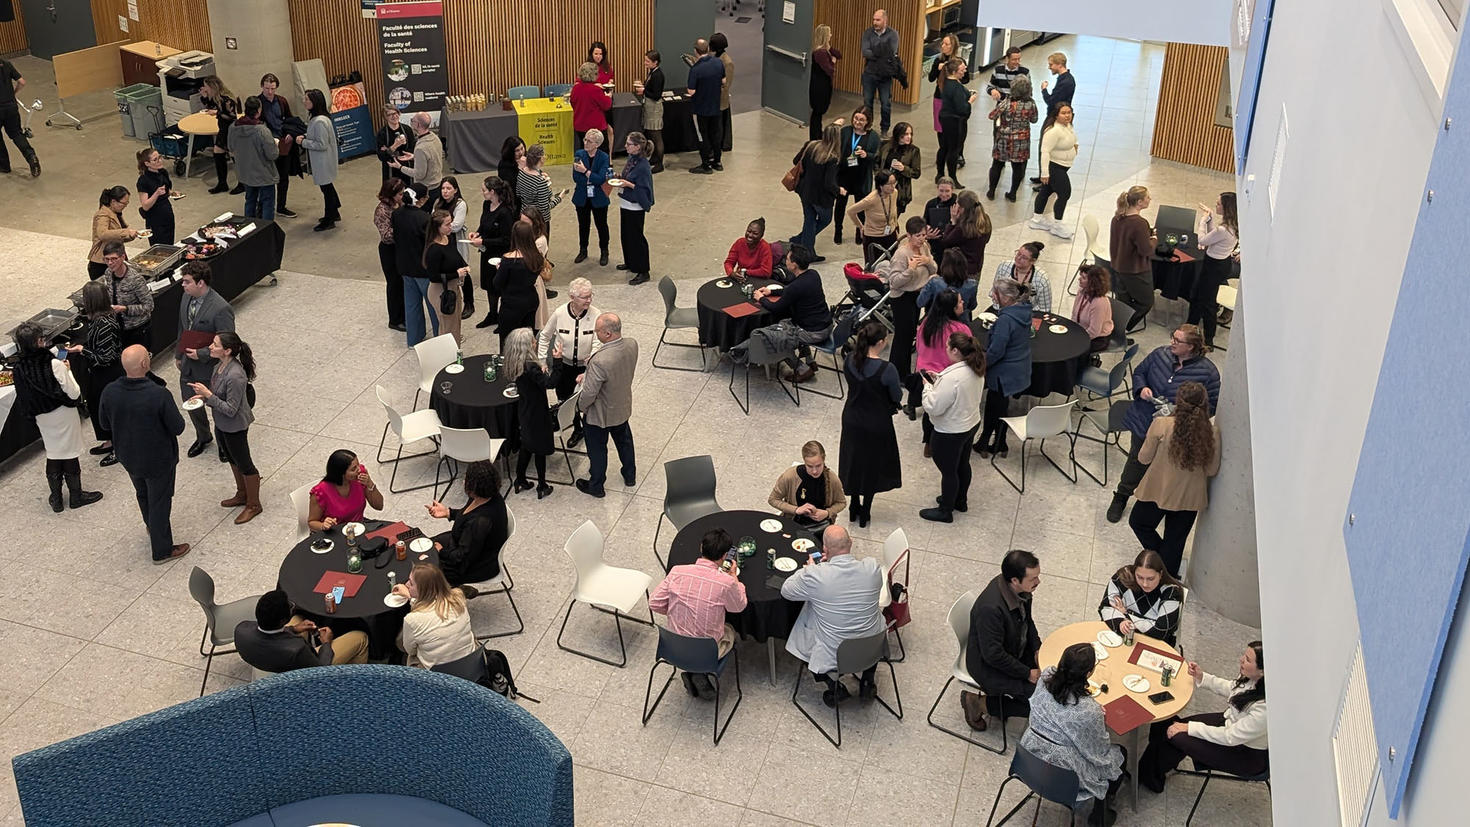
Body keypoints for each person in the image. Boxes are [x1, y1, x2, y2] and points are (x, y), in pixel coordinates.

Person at [1107, 325, 1221, 523]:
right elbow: (1139, 372)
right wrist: (1142, 388)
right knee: (1137, 460)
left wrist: (1180, 411)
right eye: (1172, 337)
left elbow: (1212, 404)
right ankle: (1122, 495)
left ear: (1192, 347)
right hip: (1145, 421)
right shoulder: (1160, 354)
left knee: (1166, 467)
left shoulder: (1208, 373)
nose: (1172, 343)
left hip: (1177, 432)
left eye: (1178, 341)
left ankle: (1154, 501)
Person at [99, 345, 190, 563]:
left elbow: (104, 423)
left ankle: (151, 526)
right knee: (160, 501)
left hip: (128, 456)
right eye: (148, 356)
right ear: (143, 364)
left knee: (142, 493)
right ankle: (162, 550)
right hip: (158, 459)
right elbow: (178, 427)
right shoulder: (158, 394)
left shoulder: (110, 391)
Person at [1139, 642, 1268, 794]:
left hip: (1242, 753)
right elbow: (1232, 688)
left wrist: (1189, 728)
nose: (1241, 660)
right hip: (1229, 725)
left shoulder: (1264, 709)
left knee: (1176, 734)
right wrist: (1202, 677)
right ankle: (1148, 771)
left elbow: (1230, 737)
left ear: (1262, 671)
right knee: (1168, 724)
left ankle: (1149, 775)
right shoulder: (1251, 678)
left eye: (1247, 659)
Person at [1020, 643, 1125, 826]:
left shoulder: (1045, 677)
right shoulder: (1089, 710)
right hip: (1063, 775)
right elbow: (1099, 752)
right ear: (1088, 674)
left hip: (1028, 756)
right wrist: (1096, 717)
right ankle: (1100, 814)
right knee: (1120, 754)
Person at [781, 525, 886, 706]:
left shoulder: (816, 576)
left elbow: (787, 591)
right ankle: (868, 680)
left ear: (825, 550)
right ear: (851, 543)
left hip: (837, 654)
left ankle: (834, 687)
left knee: (802, 635)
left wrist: (808, 570)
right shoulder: (872, 567)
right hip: (874, 644)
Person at [1129, 382, 1222, 575]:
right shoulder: (1212, 433)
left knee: (1138, 522)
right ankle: (1167, 573)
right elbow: (1212, 470)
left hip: (1158, 490)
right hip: (1190, 496)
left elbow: (1143, 458)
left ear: (1179, 402)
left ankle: (1160, 562)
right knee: (1175, 542)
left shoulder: (1162, 424)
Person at [10, 322, 102, 512]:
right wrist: (67, 370)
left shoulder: (18, 367)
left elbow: (24, 397)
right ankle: (76, 496)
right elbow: (74, 393)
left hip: (42, 417)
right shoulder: (53, 364)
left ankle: (57, 498)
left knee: (53, 453)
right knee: (70, 452)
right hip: (63, 414)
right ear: (39, 341)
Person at [649, 527, 748, 699]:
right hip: (707, 653)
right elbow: (738, 607)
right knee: (731, 630)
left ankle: (694, 672)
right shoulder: (725, 582)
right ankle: (698, 672)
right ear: (725, 556)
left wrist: (675, 612)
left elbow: (654, 603)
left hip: (672, 646)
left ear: (701, 547)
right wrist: (734, 577)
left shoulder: (677, 571)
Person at [187, 332, 260, 525]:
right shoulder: (219, 366)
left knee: (245, 463)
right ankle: (242, 493)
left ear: (227, 351)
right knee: (231, 458)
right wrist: (202, 397)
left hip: (234, 426)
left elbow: (231, 409)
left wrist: (208, 395)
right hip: (221, 423)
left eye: (215, 344)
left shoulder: (235, 376)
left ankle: (254, 504)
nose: (210, 346)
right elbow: (217, 396)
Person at [963, 549, 1042, 728]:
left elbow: (1027, 621)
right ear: (1015, 580)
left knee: (1052, 680)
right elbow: (993, 655)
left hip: (1013, 648)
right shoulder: (990, 609)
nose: (1038, 582)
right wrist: (1027, 673)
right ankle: (977, 703)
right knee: (1040, 703)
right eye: (1033, 579)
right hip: (988, 665)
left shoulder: (1021, 590)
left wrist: (1037, 648)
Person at [736, 244, 832, 382]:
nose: (785, 261)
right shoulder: (813, 275)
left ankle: (803, 370)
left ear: (794, 265)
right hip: (825, 324)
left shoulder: (796, 286)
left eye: (787, 259)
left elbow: (776, 307)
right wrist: (772, 291)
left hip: (812, 332)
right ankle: (811, 361)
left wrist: (761, 298)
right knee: (787, 325)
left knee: (778, 339)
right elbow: (790, 291)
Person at [838, 322, 902, 527]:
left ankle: (853, 503)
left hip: (852, 419)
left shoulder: (849, 360)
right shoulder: (887, 369)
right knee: (872, 465)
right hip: (876, 423)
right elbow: (896, 395)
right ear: (881, 342)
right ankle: (865, 510)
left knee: (853, 461)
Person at [919, 332, 986, 523]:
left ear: (955, 351)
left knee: (948, 471)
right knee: (963, 464)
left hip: (950, 431)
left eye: (948, 347)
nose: (945, 349)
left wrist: (928, 386)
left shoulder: (953, 378)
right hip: (971, 423)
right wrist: (939, 380)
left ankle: (945, 510)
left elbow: (933, 406)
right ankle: (960, 500)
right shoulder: (976, 367)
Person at [175, 262, 235, 457]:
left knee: (216, 405)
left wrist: (201, 354)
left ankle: (224, 443)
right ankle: (203, 436)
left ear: (200, 283)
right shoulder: (186, 297)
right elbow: (182, 328)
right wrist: (179, 353)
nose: (182, 285)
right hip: (187, 364)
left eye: (186, 282)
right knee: (191, 402)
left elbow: (227, 342)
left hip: (210, 367)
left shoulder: (220, 308)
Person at [576, 313, 638, 497]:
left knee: (597, 449)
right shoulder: (632, 344)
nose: (596, 334)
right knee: (624, 441)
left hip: (600, 414)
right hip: (622, 405)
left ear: (608, 333)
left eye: (598, 331)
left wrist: (580, 407)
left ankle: (596, 485)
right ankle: (630, 475)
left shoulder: (600, 361)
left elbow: (589, 393)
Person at [234, 590, 369, 672]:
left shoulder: (241, 629)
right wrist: (326, 643)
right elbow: (318, 669)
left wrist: (293, 629)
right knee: (360, 638)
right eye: (290, 607)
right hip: (300, 671)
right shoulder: (297, 649)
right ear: (282, 621)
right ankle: (355, 681)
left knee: (298, 618)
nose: (292, 607)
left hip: (265, 658)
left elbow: (270, 635)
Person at [425, 460, 510, 588]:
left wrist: (441, 551)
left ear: (474, 487)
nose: (463, 481)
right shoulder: (488, 496)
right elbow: (470, 515)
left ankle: (449, 592)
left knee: (424, 568)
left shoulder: (479, 522)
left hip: (473, 566)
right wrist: (449, 512)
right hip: (466, 545)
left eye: (466, 478)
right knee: (425, 546)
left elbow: (461, 558)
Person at [908, 289, 972, 458]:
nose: (963, 303)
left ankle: (928, 444)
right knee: (944, 414)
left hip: (924, 376)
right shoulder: (961, 329)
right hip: (945, 378)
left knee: (930, 412)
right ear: (951, 308)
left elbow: (920, 349)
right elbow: (967, 355)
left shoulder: (926, 323)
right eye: (959, 302)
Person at [65, 281, 124, 465]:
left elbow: (106, 357)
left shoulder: (104, 323)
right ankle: (108, 441)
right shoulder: (99, 318)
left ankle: (118, 447)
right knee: (97, 406)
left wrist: (83, 350)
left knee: (108, 410)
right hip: (98, 373)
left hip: (108, 374)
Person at [975, 277, 1034, 459]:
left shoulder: (1005, 320)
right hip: (1019, 368)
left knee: (994, 408)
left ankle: (985, 442)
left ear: (1006, 298)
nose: (993, 295)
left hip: (1002, 374)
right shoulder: (1024, 312)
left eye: (996, 293)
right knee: (1002, 407)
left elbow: (996, 351)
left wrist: (982, 364)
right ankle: (1001, 442)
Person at [538, 278, 601, 447]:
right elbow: (544, 336)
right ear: (572, 297)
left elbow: (598, 341)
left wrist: (592, 358)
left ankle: (589, 429)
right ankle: (577, 428)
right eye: (584, 297)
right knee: (565, 399)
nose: (589, 300)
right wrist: (542, 361)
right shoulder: (560, 313)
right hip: (563, 367)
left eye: (590, 296)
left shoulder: (596, 315)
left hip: (585, 367)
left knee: (586, 401)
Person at [875, 216, 936, 378]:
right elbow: (894, 282)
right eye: (918, 236)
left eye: (924, 235)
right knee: (903, 337)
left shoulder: (925, 248)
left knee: (910, 335)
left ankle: (903, 371)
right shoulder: (901, 254)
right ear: (909, 235)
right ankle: (899, 373)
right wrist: (910, 269)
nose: (922, 239)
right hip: (903, 298)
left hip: (918, 295)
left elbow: (934, 269)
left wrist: (927, 261)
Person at [502, 327, 559, 499]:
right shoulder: (532, 367)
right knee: (540, 449)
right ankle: (542, 485)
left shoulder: (515, 363)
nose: (535, 342)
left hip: (525, 409)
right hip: (538, 412)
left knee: (527, 444)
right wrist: (558, 362)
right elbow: (551, 383)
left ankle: (520, 479)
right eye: (533, 341)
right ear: (527, 346)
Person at [391, 563, 477, 669]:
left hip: (438, 676)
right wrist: (410, 597)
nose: (407, 585)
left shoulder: (412, 619)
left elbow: (410, 650)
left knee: (403, 648)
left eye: (411, 583)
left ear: (423, 590)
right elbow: (430, 606)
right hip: (470, 664)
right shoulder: (459, 597)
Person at [71, 241, 153, 348]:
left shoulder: (135, 279)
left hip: (137, 328)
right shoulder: (108, 273)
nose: (110, 263)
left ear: (123, 257)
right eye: (107, 259)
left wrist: (124, 308)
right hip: (118, 326)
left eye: (114, 259)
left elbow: (149, 306)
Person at [1098, 550, 1185, 647]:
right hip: (1119, 638)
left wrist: (1125, 615)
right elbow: (1105, 608)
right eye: (1139, 577)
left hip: (1155, 646)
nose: (1145, 584)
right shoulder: (1122, 578)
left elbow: (1161, 631)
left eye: (1150, 579)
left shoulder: (1171, 592)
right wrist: (1121, 622)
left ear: (1160, 574)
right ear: (1134, 571)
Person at [1188, 193, 1239, 350]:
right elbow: (1213, 236)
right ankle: (1190, 325)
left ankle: (1208, 339)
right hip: (1220, 264)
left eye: (1218, 204)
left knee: (1208, 302)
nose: (1216, 206)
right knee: (1199, 296)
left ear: (1226, 208)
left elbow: (1203, 240)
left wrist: (1203, 221)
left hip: (1214, 267)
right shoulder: (1231, 227)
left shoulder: (1224, 229)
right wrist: (1210, 219)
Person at [789, 124, 845, 259]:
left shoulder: (811, 145)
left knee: (809, 219)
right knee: (825, 219)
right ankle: (801, 242)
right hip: (820, 197)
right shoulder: (832, 158)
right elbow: (829, 183)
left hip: (804, 191)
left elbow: (795, 160)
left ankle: (805, 247)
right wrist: (839, 190)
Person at [469, 175, 516, 330]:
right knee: (490, 285)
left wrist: (483, 242)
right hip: (487, 253)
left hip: (500, 255)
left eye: (484, 190)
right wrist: (477, 234)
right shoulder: (486, 205)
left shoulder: (505, 212)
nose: (482, 193)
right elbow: (483, 225)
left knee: (500, 286)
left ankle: (503, 317)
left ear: (492, 191)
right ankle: (492, 314)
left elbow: (506, 240)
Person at [393, 186, 437, 346]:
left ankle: (414, 339)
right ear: (422, 199)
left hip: (404, 266)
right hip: (422, 269)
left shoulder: (396, 214)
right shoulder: (424, 219)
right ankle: (439, 338)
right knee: (433, 305)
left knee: (411, 305)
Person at [769, 440, 848, 529]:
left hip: (822, 525)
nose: (814, 471)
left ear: (824, 460)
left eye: (818, 466)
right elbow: (773, 499)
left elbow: (841, 502)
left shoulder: (832, 479)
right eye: (809, 466)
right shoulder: (790, 476)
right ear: (804, 461)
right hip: (794, 522)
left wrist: (827, 513)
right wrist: (796, 510)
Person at [1028, 102, 1079, 237]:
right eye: (1063, 113)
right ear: (1056, 115)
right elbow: (1044, 151)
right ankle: (1057, 224)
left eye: (1069, 112)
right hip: (1055, 167)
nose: (1067, 116)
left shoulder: (1068, 126)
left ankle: (1037, 219)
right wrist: (1044, 173)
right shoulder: (1053, 131)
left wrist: (1075, 146)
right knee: (1064, 193)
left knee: (1046, 190)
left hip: (1063, 165)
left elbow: (1073, 137)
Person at [1110, 185, 1155, 333]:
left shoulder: (1117, 218)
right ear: (1140, 202)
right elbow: (1146, 250)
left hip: (1118, 267)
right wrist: (1153, 239)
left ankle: (1117, 327)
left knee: (1124, 302)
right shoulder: (1140, 223)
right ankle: (1125, 327)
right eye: (1148, 197)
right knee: (1146, 302)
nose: (1150, 199)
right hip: (1135, 271)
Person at [987, 75, 1039, 202]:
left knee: (997, 165)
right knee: (1018, 167)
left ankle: (992, 191)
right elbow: (1034, 119)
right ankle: (1013, 193)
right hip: (1022, 140)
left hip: (1004, 139)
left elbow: (992, 116)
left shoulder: (1007, 103)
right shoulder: (1031, 104)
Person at [259, 74, 304, 218]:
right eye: (267, 88)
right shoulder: (258, 102)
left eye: (272, 88)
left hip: (283, 142)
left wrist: (290, 133)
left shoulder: (282, 101)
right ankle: (264, 207)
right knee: (267, 178)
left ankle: (281, 206)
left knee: (283, 177)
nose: (270, 92)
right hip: (267, 143)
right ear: (262, 87)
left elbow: (289, 119)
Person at [834, 106, 880, 245]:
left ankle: (859, 231)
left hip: (861, 177)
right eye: (856, 118)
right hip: (844, 175)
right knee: (840, 205)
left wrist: (867, 155)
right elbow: (836, 149)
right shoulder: (845, 131)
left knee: (860, 207)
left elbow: (877, 156)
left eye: (861, 120)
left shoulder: (873, 136)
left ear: (867, 121)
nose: (858, 122)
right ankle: (838, 230)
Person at [494, 220, 543, 350]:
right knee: (527, 338)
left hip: (512, 304)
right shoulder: (537, 257)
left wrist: (500, 269)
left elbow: (497, 283)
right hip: (530, 300)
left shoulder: (508, 259)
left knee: (508, 340)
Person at [423, 208, 470, 345]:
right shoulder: (434, 249)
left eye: (451, 223)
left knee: (455, 324)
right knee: (447, 327)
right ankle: (448, 357)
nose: (451, 226)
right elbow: (433, 276)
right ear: (438, 227)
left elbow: (455, 256)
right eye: (447, 224)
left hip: (453, 287)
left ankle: (456, 351)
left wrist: (464, 265)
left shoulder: (447, 238)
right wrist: (456, 274)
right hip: (441, 291)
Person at [307, 449, 384, 531]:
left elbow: (379, 506)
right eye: (353, 469)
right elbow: (312, 522)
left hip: (358, 527)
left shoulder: (361, 475)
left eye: (358, 465)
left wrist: (370, 484)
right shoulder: (320, 492)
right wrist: (323, 525)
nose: (358, 469)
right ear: (340, 473)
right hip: (335, 532)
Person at [230, 96, 280, 221]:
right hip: (263, 174)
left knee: (250, 200)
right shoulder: (262, 131)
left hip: (245, 173)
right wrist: (276, 145)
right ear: (258, 111)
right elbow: (272, 154)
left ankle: (249, 229)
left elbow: (231, 147)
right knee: (267, 203)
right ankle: (266, 231)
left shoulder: (233, 127)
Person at [615, 131, 655, 285]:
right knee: (626, 235)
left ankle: (643, 270)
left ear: (637, 147)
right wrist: (620, 178)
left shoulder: (643, 166)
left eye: (628, 144)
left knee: (636, 238)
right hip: (625, 203)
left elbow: (644, 189)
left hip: (635, 206)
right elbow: (628, 177)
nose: (625, 146)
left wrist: (628, 184)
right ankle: (630, 262)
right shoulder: (632, 159)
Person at [298, 89, 341, 232]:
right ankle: (334, 213)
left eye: (307, 100)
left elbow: (321, 144)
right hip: (323, 161)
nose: (304, 102)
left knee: (326, 189)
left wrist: (303, 142)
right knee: (327, 187)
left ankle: (329, 219)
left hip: (323, 161)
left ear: (315, 102)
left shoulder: (319, 121)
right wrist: (305, 136)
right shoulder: (318, 118)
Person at [928, 35, 970, 176]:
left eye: (946, 44)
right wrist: (938, 69)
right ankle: (943, 152)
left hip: (955, 100)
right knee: (941, 130)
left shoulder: (959, 62)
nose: (943, 46)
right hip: (939, 99)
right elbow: (931, 78)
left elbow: (966, 79)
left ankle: (958, 153)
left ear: (953, 47)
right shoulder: (938, 60)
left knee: (958, 130)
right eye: (943, 44)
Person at [571, 129, 611, 266]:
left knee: (601, 225)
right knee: (583, 225)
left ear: (597, 144)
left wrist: (586, 172)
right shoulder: (579, 154)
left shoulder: (604, 157)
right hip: (582, 196)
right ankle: (583, 250)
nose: (585, 142)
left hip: (598, 197)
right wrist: (590, 178)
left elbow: (601, 179)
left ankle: (604, 251)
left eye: (589, 141)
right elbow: (576, 177)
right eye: (585, 139)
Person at [686, 38, 726, 174]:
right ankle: (717, 162)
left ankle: (706, 164)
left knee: (703, 136)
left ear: (695, 51)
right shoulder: (718, 63)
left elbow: (691, 91)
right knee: (715, 134)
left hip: (701, 109)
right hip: (716, 107)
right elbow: (723, 81)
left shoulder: (696, 69)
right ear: (708, 49)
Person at [374, 178, 407, 332]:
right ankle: (395, 319)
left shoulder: (398, 205)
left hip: (400, 248)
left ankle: (404, 313)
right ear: (391, 194)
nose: (402, 196)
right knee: (394, 284)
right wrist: (403, 227)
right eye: (400, 194)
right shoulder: (382, 210)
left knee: (402, 283)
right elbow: (386, 235)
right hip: (389, 250)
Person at [935, 58, 976, 186]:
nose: (964, 71)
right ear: (954, 71)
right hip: (955, 121)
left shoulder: (945, 82)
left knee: (944, 147)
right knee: (953, 150)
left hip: (945, 118)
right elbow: (962, 109)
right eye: (962, 69)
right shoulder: (956, 87)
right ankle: (952, 178)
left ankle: (940, 173)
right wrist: (970, 101)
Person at [0, 56, 41, 177]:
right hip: (11, 107)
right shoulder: (6, 64)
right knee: (17, 134)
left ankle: (4, 166)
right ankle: (31, 157)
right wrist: (13, 93)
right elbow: (22, 82)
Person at [860, 9, 900, 135]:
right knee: (867, 102)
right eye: (874, 19)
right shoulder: (868, 33)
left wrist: (876, 52)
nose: (875, 22)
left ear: (885, 20)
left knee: (886, 104)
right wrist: (881, 52)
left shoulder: (893, 34)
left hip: (885, 76)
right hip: (869, 74)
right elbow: (865, 52)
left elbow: (890, 53)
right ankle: (868, 127)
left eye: (878, 20)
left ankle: (884, 129)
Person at [200, 75, 241, 194]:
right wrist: (204, 96)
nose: (205, 88)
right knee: (218, 153)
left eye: (206, 86)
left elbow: (232, 116)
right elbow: (210, 105)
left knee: (234, 156)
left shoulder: (226, 99)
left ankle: (242, 183)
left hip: (230, 130)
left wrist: (218, 113)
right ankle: (222, 183)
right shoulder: (216, 97)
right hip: (222, 129)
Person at [938, 189, 992, 276]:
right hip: (976, 266)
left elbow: (946, 242)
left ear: (962, 208)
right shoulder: (986, 219)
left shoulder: (963, 228)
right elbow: (987, 239)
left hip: (961, 269)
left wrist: (953, 222)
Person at [88, 186, 139, 279]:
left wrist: (131, 236)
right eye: (123, 203)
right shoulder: (103, 214)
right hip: (102, 262)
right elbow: (103, 234)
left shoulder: (116, 213)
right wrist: (126, 232)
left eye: (127, 203)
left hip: (116, 257)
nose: (125, 206)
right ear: (113, 202)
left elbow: (117, 237)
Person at [846, 168, 899, 257]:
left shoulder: (894, 193)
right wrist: (860, 226)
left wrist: (895, 227)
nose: (893, 186)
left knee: (893, 263)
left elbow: (894, 210)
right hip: (874, 237)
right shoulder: (871, 199)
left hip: (891, 235)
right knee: (875, 266)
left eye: (894, 183)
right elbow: (851, 211)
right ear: (881, 185)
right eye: (889, 184)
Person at [391, 112, 444, 200]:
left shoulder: (421, 148)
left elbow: (419, 175)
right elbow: (431, 157)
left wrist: (400, 167)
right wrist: (414, 157)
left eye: (412, 120)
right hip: (437, 183)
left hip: (426, 189)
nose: (411, 122)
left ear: (418, 124)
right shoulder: (435, 137)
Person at [917, 248, 980, 320]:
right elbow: (972, 306)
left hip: (936, 322)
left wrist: (927, 284)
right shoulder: (972, 285)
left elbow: (920, 302)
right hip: (960, 322)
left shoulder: (934, 282)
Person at [994, 241, 1053, 314]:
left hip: (1028, 316)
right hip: (1003, 311)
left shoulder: (1042, 280)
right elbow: (995, 292)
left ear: (1033, 261)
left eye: (1024, 258)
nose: (1018, 258)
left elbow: (1045, 309)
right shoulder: (1003, 267)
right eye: (1018, 253)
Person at [135, 148, 177, 245]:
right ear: (147, 163)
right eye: (155, 160)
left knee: (170, 243)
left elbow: (167, 190)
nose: (160, 161)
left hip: (167, 213)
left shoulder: (163, 172)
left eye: (160, 157)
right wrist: (156, 194)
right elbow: (145, 205)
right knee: (160, 247)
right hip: (155, 218)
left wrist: (172, 193)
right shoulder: (143, 180)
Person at [632, 50, 666, 172]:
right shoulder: (653, 72)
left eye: (648, 61)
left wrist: (644, 91)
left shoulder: (658, 75)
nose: (645, 63)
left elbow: (656, 95)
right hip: (650, 107)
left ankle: (660, 163)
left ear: (655, 62)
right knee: (651, 134)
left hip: (654, 109)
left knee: (657, 135)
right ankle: (655, 157)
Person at [879, 122, 921, 215]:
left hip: (900, 190)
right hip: (883, 188)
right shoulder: (885, 146)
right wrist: (879, 175)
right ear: (898, 134)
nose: (909, 137)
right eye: (906, 134)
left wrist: (904, 169)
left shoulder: (914, 151)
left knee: (892, 218)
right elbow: (877, 162)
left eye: (910, 134)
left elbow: (916, 173)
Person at [1072, 264, 1115, 354]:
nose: (1079, 279)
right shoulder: (1081, 291)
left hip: (1097, 338)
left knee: (1071, 349)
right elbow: (1075, 315)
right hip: (1082, 330)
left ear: (1092, 282)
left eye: (1083, 278)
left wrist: (1076, 339)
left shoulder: (1099, 303)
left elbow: (1094, 332)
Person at [571, 62, 614, 152]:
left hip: (580, 126)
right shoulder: (595, 90)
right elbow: (606, 105)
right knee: (601, 152)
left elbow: (573, 103)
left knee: (584, 151)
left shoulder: (576, 88)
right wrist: (608, 96)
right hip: (596, 127)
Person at [514, 143, 556, 235]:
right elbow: (544, 208)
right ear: (541, 158)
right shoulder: (540, 182)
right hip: (539, 221)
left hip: (524, 216)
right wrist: (559, 199)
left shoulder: (521, 172)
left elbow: (518, 193)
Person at [808, 25, 841, 141]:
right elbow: (829, 69)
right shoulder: (820, 53)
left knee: (819, 113)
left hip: (823, 85)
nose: (831, 35)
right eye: (829, 33)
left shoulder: (824, 50)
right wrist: (832, 62)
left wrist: (830, 48)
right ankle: (815, 136)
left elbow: (839, 55)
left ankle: (818, 133)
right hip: (819, 86)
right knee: (817, 112)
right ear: (825, 36)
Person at [376, 104, 415, 183]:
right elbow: (381, 156)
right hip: (390, 169)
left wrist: (389, 150)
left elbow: (413, 148)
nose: (394, 116)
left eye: (395, 113)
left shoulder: (407, 129)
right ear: (385, 117)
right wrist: (395, 145)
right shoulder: (382, 133)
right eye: (390, 115)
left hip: (407, 166)